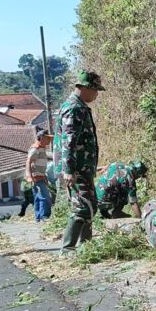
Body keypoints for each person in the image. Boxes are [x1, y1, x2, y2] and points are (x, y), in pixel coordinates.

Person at [59, 70, 103, 253]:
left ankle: (87, 247)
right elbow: (68, 142)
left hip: (83, 168)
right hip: (77, 170)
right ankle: (68, 249)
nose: (97, 94)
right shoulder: (74, 108)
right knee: (82, 207)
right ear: (85, 88)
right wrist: (69, 170)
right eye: (95, 90)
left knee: (90, 205)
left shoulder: (79, 106)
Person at [24, 130, 53, 221]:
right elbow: (29, 161)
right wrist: (29, 176)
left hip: (40, 176)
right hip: (36, 177)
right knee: (45, 197)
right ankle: (44, 216)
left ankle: (39, 218)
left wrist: (44, 176)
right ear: (42, 138)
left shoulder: (42, 148)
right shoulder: (35, 148)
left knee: (38, 197)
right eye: (47, 138)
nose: (49, 140)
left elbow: (38, 165)